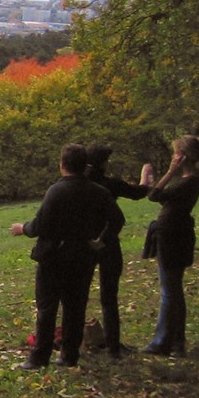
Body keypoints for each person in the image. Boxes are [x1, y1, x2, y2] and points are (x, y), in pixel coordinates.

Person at [10, 143, 118, 369]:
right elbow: (117, 219)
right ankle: (69, 355)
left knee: (47, 308)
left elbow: (41, 224)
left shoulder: (57, 191)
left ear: (63, 165)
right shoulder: (98, 191)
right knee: (75, 307)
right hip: (83, 256)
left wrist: (23, 228)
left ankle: (40, 356)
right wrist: (101, 241)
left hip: (54, 257)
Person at [139, 134, 199, 356]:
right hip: (177, 234)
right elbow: (160, 196)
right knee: (174, 291)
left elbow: (155, 195)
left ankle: (162, 342)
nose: (172, 156)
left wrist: (168, 171)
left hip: (172, 237)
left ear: (182, 157)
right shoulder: (191, 181)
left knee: (170, 291)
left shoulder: (188, 182)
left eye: (175, 153)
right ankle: (177, 343)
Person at [81, 144, 152, 356]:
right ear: (102, 163)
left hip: (83, 245)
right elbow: (138, 193)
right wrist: (145, 176)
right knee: (109, 297)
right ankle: (113, 346)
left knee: (79, 296)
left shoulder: (78, 184)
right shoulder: (109, 185)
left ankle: (77, 345)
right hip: (108, 242)